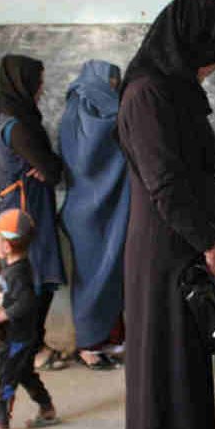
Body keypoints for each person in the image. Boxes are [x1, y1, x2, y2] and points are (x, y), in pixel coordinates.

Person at [115, 0, 215, 429]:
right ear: (189, 43)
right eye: (213, 53)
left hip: (189, 243)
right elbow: (166, 186)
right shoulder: (146, 95)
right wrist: (209, 246)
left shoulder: (179, 93)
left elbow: (202, 173)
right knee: (165, 368)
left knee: (189, 367)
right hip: (164, 255)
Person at [0, 55, 67, 370]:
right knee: (31, 278)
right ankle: (31, 347)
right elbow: (51, 169)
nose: (41, 88)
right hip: (25, 210)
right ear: (22, 83)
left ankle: (35, 342)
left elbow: (49, 167)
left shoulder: (21, 118)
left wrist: (49, 166)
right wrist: (50, 166)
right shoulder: (18, 126)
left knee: (39, 276)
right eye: (37, 81)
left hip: (32, 204)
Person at [59, 59, 126, 370]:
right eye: (111, 83)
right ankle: (88, 344)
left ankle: (107, 338)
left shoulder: (92, 110)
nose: (114, 89)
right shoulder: (84, 111)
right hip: (88, 212)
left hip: (107, 209)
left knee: (111, 274)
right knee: (91, 280)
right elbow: (86, 161)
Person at [0, 209, 59, 429]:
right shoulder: (12, 270)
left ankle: (1, 426)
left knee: (5, 382)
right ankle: (47, 409)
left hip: (15, 340)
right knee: (25, 374)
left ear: (6, 246)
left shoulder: (19, 273)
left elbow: (27, 302)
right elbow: (5, 290)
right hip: (18, 338)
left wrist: (0, 316)